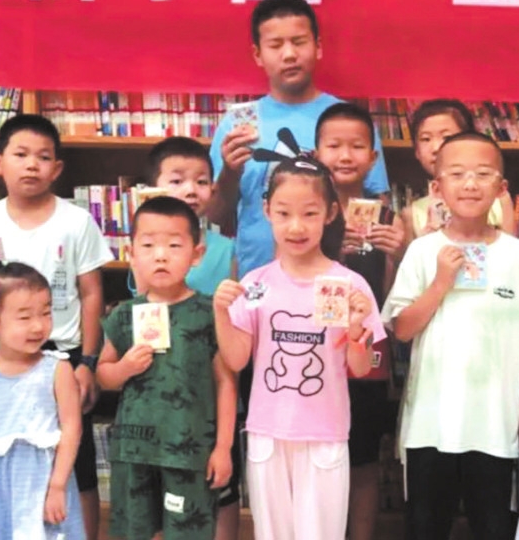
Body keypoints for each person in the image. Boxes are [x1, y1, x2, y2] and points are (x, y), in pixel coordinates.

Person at [383, 132, 519, 540]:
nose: (470, 184)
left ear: (501, 187)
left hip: (495, 423)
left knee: (494, 524)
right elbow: (402, 329)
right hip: (430, 423)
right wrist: (441, 282)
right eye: (457, 174)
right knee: (426, 526)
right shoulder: (423, 251)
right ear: (437, 187)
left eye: (483, 174)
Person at [0, 115, 112, 538]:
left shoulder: (75, 221)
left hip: (60, 350)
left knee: (75, 456)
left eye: (43, 157)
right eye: (20, 154)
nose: (31, 165)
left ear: (56, 169)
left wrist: (87, 362)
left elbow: (92, 293)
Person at [214, 157, 387, 539]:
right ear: (267, 211)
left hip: (324, 433)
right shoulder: (256, 283)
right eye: (284, 213)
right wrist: (221, 314)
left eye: (309, 213)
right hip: (267, 432)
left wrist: (355, 330)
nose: (296, 226)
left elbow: (360, 368)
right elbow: (237, 359)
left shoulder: (348, 285)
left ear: (330, 213)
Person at [208, 0, 389, 279]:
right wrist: (230, 172)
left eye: (299, 42)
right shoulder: (236, 125)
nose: (289, 54)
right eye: (275, 45)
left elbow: (378, 206)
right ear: (258, 54)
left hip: (334, 283)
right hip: (257, 282)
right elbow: (215, 216)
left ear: (318, 47)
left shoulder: (349, 122)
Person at [96, 196, 237, 540]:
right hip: (134, 450)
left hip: (190, 452)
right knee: (133, 532)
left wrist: (223, 448)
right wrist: (125, 368)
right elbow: (104, 375)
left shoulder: (209, 313)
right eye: (148, 245)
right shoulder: (123, 314)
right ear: (132, 253)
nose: (161, 255)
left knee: (188, 533)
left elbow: (226, 384)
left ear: (196, 254)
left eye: (174, 245)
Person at [138, 136, 243, 540]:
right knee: (163, 480)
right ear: (154, 188)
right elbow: (142, 300)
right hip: (162, 377)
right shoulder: (146, 248)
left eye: (201, 181)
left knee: (221, 481)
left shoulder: (226, 248)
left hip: (211, 373)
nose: (190, 190)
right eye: (177, 180)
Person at [313, 103, 406, 540]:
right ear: (316, 153)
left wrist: (399, 254)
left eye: (356, 146)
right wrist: (334, 254)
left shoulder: (388, 217)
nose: (345, 155)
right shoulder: (308, 211)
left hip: (366, 348)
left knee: (364, 453)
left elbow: (393, 297)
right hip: (313, 349)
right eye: (334, 146)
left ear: (373, 157)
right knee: (317, 450)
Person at [0, 261, 84, 540]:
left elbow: (72, 429)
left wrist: (57, 486)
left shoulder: (58, 369)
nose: (39, 326)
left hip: (45, 482)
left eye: (46, 313)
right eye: (25, 317)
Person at [401, 99, 517, 238]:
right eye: (426, 139)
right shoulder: (411, 214)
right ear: (416, 151)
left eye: (447, 137)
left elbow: (510, 248)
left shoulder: (498, 198)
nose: (436, 148)